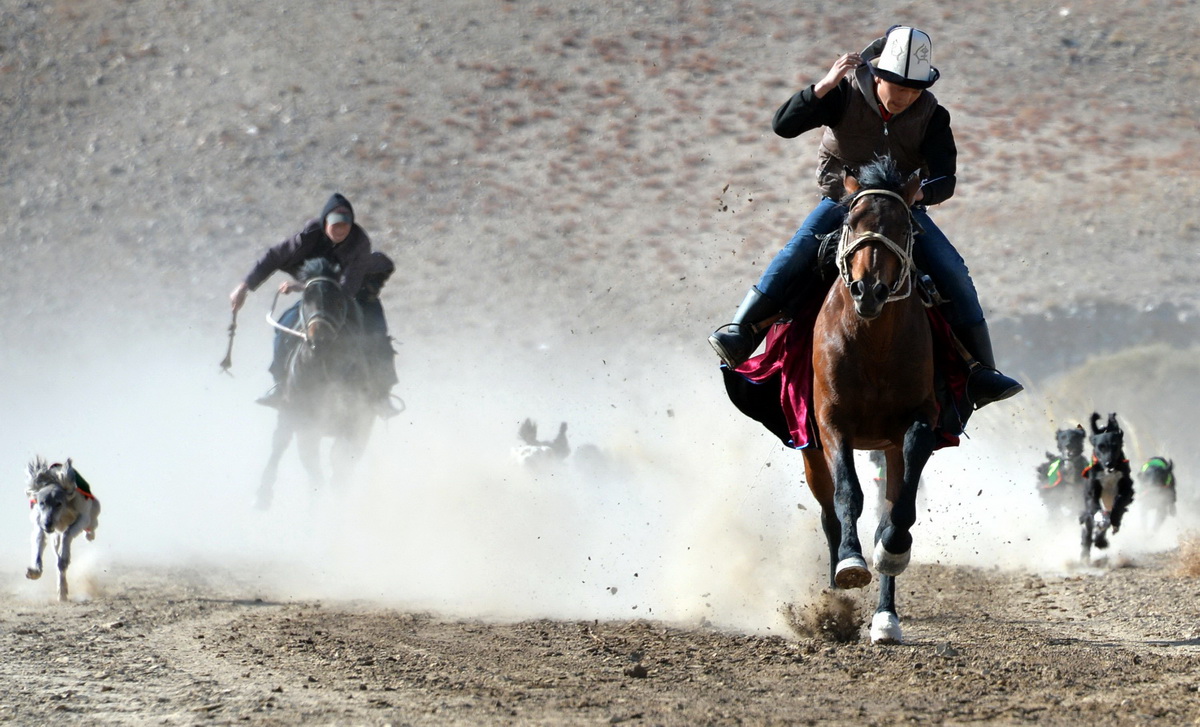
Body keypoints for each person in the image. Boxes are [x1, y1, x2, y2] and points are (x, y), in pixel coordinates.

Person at [708, 26, 1022, 409]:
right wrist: (825, 84)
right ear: (878, 76)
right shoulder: (842, 95)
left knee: (952, 270)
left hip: (902, 211)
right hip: (843, 203)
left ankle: (981, 372)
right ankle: (741, 333)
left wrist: (917, 194)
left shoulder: (933, 116)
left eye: (914, 89)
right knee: (798, 251)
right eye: (897, 86)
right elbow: (783, 126)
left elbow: (946, 178)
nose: (906, 96)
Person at [229, 192, 400, 417]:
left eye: (345, 225)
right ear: (324, 223)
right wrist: (244, 287)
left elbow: (349, 286)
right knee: (285, 324)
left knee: (377, 335)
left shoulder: (359, 242)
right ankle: (281, 385)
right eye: (335, 225)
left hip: (358, 294)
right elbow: (274, 256)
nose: (340, 230)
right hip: (319, 295)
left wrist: (300, 287)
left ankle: (380, 395)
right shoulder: (309, 235)